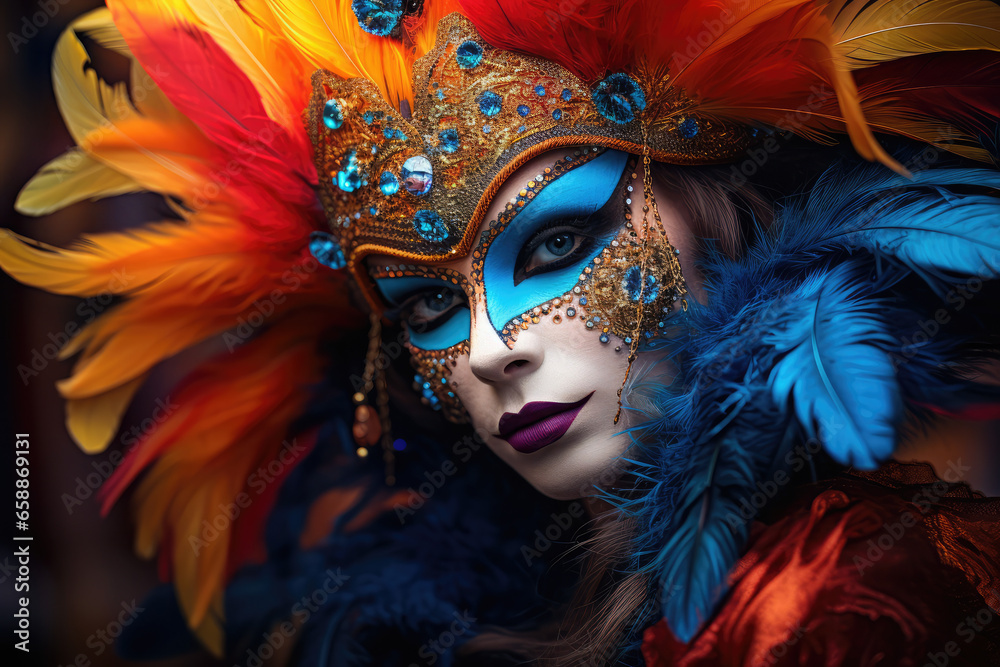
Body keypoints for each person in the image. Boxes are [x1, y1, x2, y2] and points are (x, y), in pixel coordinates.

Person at [3, 0, 1000, 665]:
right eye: (428, 308)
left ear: (725, 216)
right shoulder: (505, 613)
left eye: (559, 241)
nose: (488, 350)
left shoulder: (846, 601)